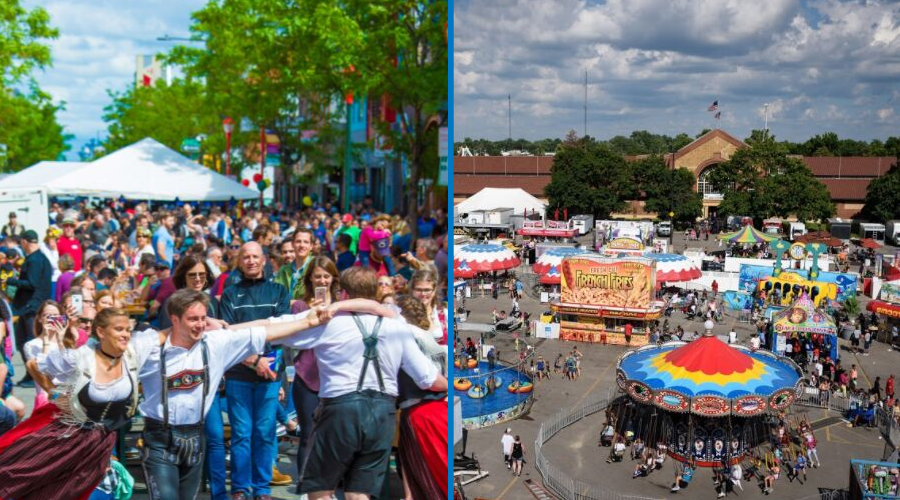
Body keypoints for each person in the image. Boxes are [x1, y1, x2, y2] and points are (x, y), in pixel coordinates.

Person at [134, 289, 361, 500]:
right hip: (159, 439)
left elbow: (266, 331)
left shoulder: (214, 343)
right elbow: (121, 347)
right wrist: (161, 335)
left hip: (194, 437)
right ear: (174, 320)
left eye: (203, 318)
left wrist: (308, 321)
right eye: (193, 319)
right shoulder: (151, 349)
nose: (200, 325)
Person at [271, 267, 447, 500]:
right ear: (374, 293)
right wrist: (447, 385)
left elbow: (277, 330)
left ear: (342, 293)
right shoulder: (396, 326)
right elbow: (428, 379)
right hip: (381, 415)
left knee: (321, 492)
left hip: (340, 410)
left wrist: (231, 330)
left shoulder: (329, 322)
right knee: (358, 493)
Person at [0, 308, 136, 500]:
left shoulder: (129, 354)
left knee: (87, 490)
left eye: (128, 329)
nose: (125, 334)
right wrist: (56, 392)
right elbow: (35, 366)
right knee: (38, 481)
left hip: (102, 440)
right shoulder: (78, 354)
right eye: (119, 329)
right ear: (102, 331)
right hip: (68, 431)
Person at [219, 242, 291, 498]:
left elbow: (282, 330)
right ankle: (240, 487)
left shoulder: (279, 291)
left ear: (264, 260)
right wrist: (253, 360)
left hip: (269, 376)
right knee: (241, 434)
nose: (250, 261)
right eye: (246, 257)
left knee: (264, 433)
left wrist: (266, 363)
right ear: (240, 261)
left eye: (255, 257)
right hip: (239, 375)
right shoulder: (230, 294)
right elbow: (227, 336)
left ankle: (261, 488)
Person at [4, 230, 52, 387]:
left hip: (32, 307)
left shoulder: (35, 260)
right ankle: (30, 373)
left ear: (24, 242)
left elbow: (32, 284)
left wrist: (12, 281)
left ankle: (35, 376)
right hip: (30, 306)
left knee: (30, 343)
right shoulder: (38, 258)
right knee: (23, 342)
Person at [409, 269, 447, 345]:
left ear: (434, 290)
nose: (423, 294)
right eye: (418, 289)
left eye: (427, 290)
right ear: (412, 290)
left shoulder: (444, 314)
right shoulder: (403, 314)